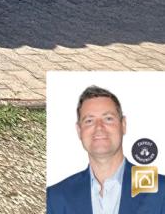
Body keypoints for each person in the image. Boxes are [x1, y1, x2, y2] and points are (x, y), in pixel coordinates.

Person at [47, 85, 163, 213]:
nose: (99, 127)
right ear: (79, 131)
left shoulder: (160, 188)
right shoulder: (55, 197)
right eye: (89, 121)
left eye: (108, 119)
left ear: (123, 125)